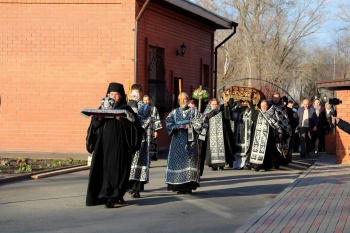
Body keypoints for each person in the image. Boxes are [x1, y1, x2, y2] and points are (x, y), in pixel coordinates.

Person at [86, 82, 142, 208]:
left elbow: (135, 127)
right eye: (111, 94)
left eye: (116, 94)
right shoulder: (102, 108)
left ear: (121, 96)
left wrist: (122, 120)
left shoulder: (126, 109)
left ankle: (114, 196)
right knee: (103, 171)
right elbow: (94, 125)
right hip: (103, 147)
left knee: (118, 171)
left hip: (120, 148)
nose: (114, 97)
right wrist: (99, 118)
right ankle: (103, 195)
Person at [165, 92, 202, 194]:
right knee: (178, 164)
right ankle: (179, 188)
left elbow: (200, 123)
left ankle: (188, 187)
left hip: (190, 142)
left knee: (190, 163)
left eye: (185, 99)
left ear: (188, 99)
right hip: (177, 142)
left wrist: (189, 126)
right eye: (181, 99)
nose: (183, 101)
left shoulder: (194, 111)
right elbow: (168, 122)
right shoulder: (174, 112)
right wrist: (175, 127)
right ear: (178, 101)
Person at [128, 84, 152, 199]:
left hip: (140, 139)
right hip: (128, 140)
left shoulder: (145, 107)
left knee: (139, 164)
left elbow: (144, 121)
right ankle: (128, 186)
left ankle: (137, 189)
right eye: (133, 92)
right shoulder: (127, 105)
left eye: (137, 92)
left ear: (141, 93)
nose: (135, 94)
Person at [248, 99, 283, 171]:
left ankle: (264, 166)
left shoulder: (271, 113)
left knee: (266, 152)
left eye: (265, 106)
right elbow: (253, 119)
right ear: (260, 106)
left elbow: (275, 124)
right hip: (257, 137)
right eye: (262, 106)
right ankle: (256, 165)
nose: (263, 107)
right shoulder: (257, 112)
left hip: (267, 137)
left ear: (267, 106)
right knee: (256, 150)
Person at [202, 98, 226, 171]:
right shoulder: (207, 112)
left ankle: (221, 164)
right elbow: (204, 121)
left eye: (216, 104)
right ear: (210, 105)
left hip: (220, 133)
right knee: (211, 149)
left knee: (221, 147)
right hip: (211, 133)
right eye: (213, 104)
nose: (215, 106)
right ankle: (214, 165)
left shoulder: (221, 111)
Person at [270, 93, 293, 166]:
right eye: (274, 97)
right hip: (273, 128)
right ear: (272, 98)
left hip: (283, 129)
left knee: (282, 145)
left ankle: (281, 161)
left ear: (280, 98)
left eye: (277, 98)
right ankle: (273, 162)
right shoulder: (270, 105)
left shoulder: (282, 106)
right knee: (274, 146)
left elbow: (285, 117)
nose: (276, 99)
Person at [232, 100, 254, 170]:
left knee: (246, 148)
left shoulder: (250, 109)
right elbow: (232, 116)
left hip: (247, 131)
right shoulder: (236, 109)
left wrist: (250, 105)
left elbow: (253, 116)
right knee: (238, 149)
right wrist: (236, 104)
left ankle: (245, 163)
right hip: (238, 131)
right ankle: (237, 164)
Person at [143, 95, 162, 161]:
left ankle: (149, 160)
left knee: (151, 146)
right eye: (144, 100)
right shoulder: (140, 109)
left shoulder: (154, 109)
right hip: (143, 131)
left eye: (147, 100)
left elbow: (156, 119)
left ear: (149, 100)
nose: (146, 102)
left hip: (151, 130)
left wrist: (156, 131)